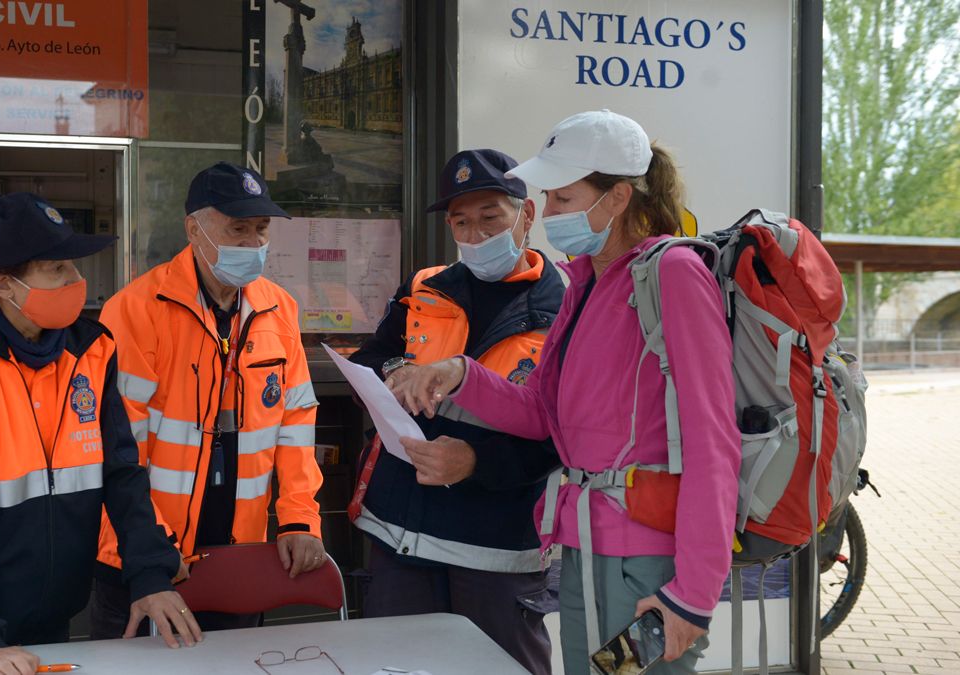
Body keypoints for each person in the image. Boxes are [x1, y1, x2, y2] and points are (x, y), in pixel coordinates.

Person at [391, 111, 740, 674]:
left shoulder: (672, 272)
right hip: (584, 550)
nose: (547, 213)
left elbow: (713, 442)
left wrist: (694, 594)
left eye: (562, 197)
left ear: (618, 197)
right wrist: (461, 373)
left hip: (646, 564)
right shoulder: (585, 281)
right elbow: (540, 414)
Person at [0, 192, 202, 675]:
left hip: (47, 624)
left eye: (72, 266)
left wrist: (150, 573)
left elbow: (121, 474)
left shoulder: (92, 351)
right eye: (57, 269)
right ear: (5, 285)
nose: (77, 281)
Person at [348, 149, 564, 673]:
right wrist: (396, 369)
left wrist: (474, 461)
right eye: (461, 222)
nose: (475, 234)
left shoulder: (564, 308)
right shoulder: (425, 287)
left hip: (494, 546)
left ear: (526, 214)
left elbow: (565, 432)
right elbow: (373, 357)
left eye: (490, 217)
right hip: (400, 534)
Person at [90, 162, 326, 638]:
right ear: (194, 229)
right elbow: (117, 446)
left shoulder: (278, 307)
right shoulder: (136, 309)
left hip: (239, 546)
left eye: (261, 230)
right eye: (237, 229)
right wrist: (153, 547)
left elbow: (295, 422)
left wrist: (300, 519)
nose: (253, 244)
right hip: (147, 554)